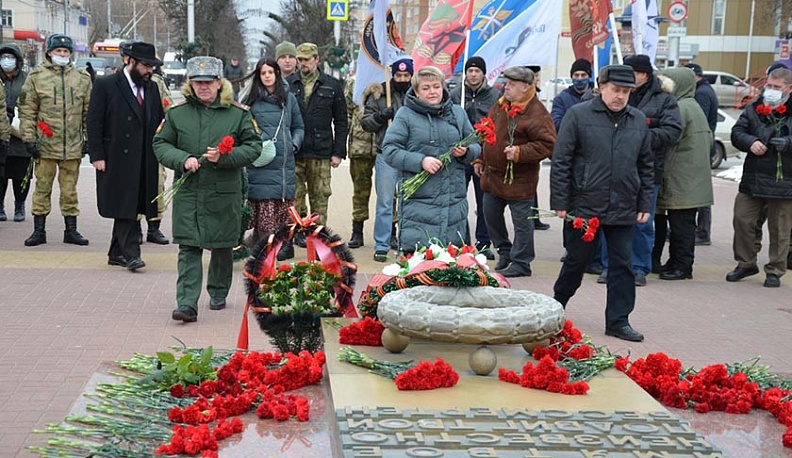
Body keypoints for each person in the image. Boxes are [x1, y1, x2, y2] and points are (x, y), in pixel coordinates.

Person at [551, 65, 654, 342]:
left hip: (623, 205)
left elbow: (646, 166)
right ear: (602, 86)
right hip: (584, 204)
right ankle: (555, 309)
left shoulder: (637, 120)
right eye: (616, 90)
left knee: (623, 265)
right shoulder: (578, 115)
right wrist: (560, 201)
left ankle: (619, 321)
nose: (620, 96)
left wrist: (644, 202)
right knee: (576, 261)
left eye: (626, 92)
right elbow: (561, 160)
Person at [154, 56, 261, 323]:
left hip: (223, 192)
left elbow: (254, 147)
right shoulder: (177, 114)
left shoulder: (238, 114)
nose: (203, 87)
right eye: (198, 82)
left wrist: (225, 157)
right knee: (189, 247)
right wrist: (182, 159)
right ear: (190, 84)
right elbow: (161, 144)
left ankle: (218, 290)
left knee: (222, 245)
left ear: (219, 83)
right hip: (189, 191)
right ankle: (187, 304)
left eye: (209, 82)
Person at [598, 54, 680, 287]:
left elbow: (673, 131)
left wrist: (638, 137)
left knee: (642, 222)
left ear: (643, 75)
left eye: (631, 73)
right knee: (609, 219)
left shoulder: (664, 99)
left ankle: (639, 267)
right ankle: (609, 266)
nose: (623, 88)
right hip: (611, 170)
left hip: (646, 170)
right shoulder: (615, 95)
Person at [382, 65, 481, 251]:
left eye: (436, 86)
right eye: (426, 88)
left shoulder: (458, 114)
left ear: (443, 86)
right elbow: (389, 150)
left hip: (453, 198)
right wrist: (421, 161)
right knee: (421, 258)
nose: (432, 92)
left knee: (452, 258)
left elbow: (476, 145)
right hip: (419, 199)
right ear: (417, 92)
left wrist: (467, 152)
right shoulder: (405, 115)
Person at [86, 42, 166, 272]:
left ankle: (115, 253)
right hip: (115, 158)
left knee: (133, 203)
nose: (150, 70)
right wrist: (97, 155)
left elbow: (159, 121)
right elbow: (94, 122)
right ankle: (131, 254)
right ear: (130, 61)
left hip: (144, 158)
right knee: (125, 205)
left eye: (152, 66)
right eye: (145, 65)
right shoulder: (106, 84)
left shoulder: (151, 88)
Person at [474, 66, 555, 277]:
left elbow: (548, 144)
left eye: (511, 84)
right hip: (493, 177)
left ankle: (522, 262)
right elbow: (487, 130)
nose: (505, 87)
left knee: (522, 224)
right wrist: (480, 157)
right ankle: (505, 251)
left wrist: (520, 151)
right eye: (506, 83)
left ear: (526, 87)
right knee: (490, 214)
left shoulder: (537, 112)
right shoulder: (501, 105)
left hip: (519, 180)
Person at [19, 34, 92, 247]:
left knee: (70, 190)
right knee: (42, 188)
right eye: (58, 51)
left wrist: (89, 139)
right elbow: (27, 110)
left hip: (72, 146)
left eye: (66, 51)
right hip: (45, 144)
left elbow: (89, 112)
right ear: (49, 53)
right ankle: (38, 231)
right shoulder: (36, 77)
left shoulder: (82, 78)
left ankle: (71, 230)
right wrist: (29, 138)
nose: (62, 55)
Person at [727, 66, 792, 288]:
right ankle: (746, 263)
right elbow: (737, 132)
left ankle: (775, 270)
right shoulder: (755, 107)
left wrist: (788, 143)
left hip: (784, 180)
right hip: (753, 177)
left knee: (780, 228)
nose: (771, 90)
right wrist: (750, 142)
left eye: (777, 87)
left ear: (788, 88)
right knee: (742, 219)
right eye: (769, 86)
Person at [654, 67, 714, 280]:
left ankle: (682, 266)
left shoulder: (680, 108)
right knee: (683, 225)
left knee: (681, 227)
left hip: (683, 179)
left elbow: (668, 139)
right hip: (691, 179)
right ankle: (676, 262)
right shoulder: (692, 105)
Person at [241, 58, 304, 260]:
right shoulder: (250, 101)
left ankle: (280, 247)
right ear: (258, 77)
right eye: (263, 73)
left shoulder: (288, 99)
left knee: (281, 208)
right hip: (259, 164)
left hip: (284, 165)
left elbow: (298, 126)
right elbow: (241, 129)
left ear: (277, 74)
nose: (267, 76)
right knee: (263, 208)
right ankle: (263, 247)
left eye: (271, 72)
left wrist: (294, 144)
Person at [288, 43, 347, 238]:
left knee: (320, 198)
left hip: (321, 151)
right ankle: (296, 235)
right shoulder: (288, 84)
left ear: (317, 59)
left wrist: (338, 152)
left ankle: (318, 237)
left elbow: (341, 121)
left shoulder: (331, 85)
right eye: (300, 60)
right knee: (294, 199)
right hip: (295, 152)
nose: (303, 63)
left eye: (307, 59)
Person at [550, 58, 602, 275]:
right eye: (576, 75)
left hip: (595, 161)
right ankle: (570, 249)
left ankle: (594, 256)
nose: (579, 79)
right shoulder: (563, 98)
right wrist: (579, 122)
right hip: (573, 158)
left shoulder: (599, 96)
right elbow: (557, 123)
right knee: (571, 212)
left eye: (583, 75)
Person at [360, 58, 413, 262]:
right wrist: (381, 116)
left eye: (406, 76)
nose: (401, 79)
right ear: (392, 75)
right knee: (384, 202)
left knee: (408, 202)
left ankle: (406, 243)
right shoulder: (381, 93)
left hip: (409, 155)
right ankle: (382, 244)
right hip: (386, 153)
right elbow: (366, 123)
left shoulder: (415, 93)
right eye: (398, 76)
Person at [119, 40, 172, 245]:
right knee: (133, 187)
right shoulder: (118, 81)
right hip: (129, 146)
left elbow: (169, 110)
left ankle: (154, 227)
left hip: (153, 145)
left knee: (156, 185)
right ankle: (135, 228)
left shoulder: (156, 83)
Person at [450, 56, 498, 260]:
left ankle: (483, 242)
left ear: (483, 73)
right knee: (457, 200)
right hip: (460, 156)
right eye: (470, 70)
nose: (473, 74)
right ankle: (460, 242)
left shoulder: (494, 96)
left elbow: (497, 125)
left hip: (483, 156)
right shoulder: (455, 94)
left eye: (477, 71)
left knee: (483, 203)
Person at [685, 63, 719, 247]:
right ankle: (702, 230)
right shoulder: (705, 90)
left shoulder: (702, 93)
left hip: (702, 147)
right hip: (705, 145)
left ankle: (703, 231)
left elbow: (699, 121)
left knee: (701, 192)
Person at [344, 75, 376, 250]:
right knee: (360, 192)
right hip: (359, 145)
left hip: (384, 144)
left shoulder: (390, 79)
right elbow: (346, 113)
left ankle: (391, 231)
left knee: (390, 194)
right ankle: (357, 231)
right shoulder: (355, 82)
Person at [0, 43, 30, 223]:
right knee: (1, 174)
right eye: (3, 57)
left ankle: (20, 205)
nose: (6, 60)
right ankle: (0, 206)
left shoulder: (27, 79)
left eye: (10, 57)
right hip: (0, 132)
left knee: (21, 173)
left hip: (20, 133)